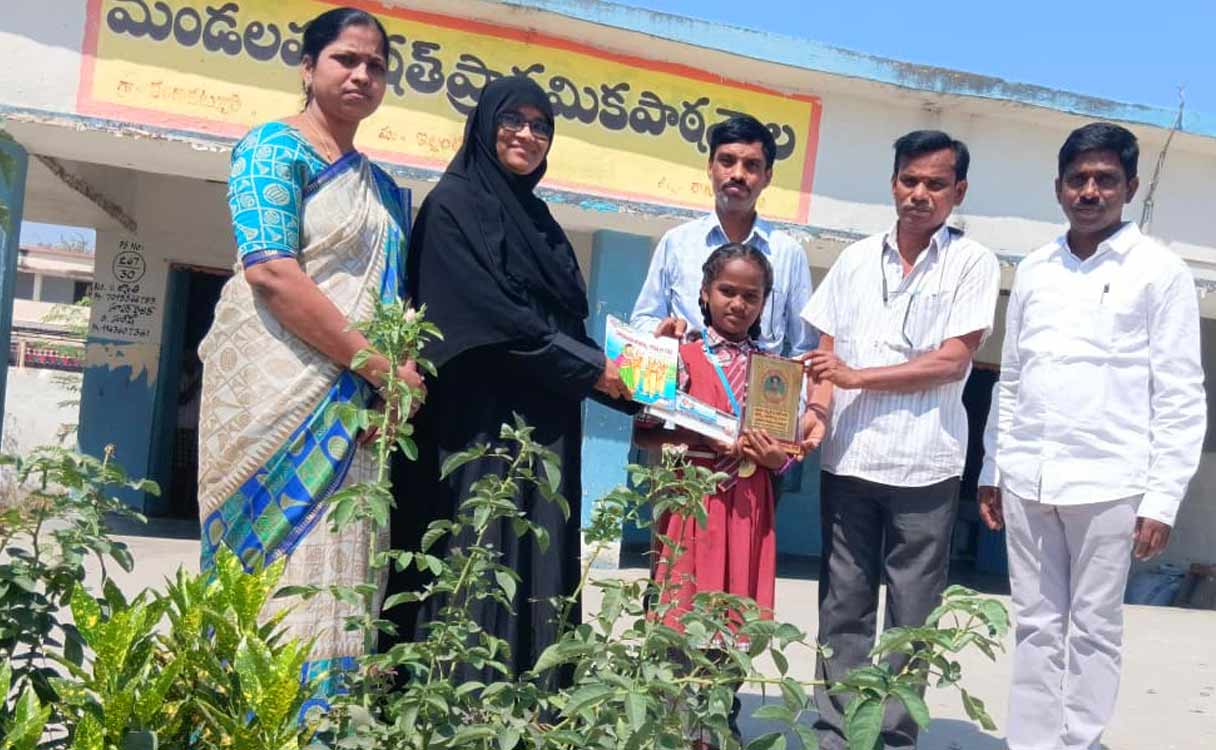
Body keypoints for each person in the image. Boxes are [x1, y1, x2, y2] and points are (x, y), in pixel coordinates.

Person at [196, 6, 419, 703]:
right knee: (269, 573)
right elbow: (271, 271)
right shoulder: (271, 149)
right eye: (345, 59)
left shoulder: (384, 190)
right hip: (273, 395)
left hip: (354, 416)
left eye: (375, 65)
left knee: (345, 569)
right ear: (308, 67)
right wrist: (375, 366)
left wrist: (396, 386)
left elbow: (394, 301)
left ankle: (332, 723)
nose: (361, 74)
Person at [392, 75, 635, 687]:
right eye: (514, 120)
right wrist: (591, 371)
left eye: (540, 125)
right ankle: (458, 703)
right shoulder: (452, 205)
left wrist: (636, 374)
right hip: (475, 428)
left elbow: (562, 319)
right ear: (484, 124)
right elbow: (493, 316)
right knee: (477, 551)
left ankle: (533, 708)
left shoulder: (538, 218)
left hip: (544, 422)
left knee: (539, 558)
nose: (527, 134)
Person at [977, 122, 1206, 750]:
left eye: (1105, 179)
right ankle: (1030, 742)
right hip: (1028, 477)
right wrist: (993, 467)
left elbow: (1182, 394)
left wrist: (1163, 499)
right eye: (1078, 179)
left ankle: (1078, 741)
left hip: (1111, 482)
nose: (1090, 190)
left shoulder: (1160, 272)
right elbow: (1013, 376)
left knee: (1095, 627)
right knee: (1035, 624)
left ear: (1130, 187)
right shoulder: (1035, 270)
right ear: (1058, 188)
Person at [799, 131, 1001, 750]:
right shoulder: (857, 259)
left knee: (913, 616)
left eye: (935, 184)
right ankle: (836, 733)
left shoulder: (974, 263)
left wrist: (860, 377)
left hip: (926, 465)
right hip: (851, 459)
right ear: (893, 183)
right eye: (910, 180)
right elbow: (825, 351)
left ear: (957, 192)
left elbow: (951, 362)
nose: (920, 194)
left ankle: (892, 737)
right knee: (844, 607)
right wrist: (817, 413)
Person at [637, 242, 789, 745]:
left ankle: (716, 722)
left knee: (734, 618)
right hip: (693, 503)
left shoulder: (776, 371)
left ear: (765, 302)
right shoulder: (679, 355)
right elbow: (644, 432)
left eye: (752, 295)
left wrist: (772, 455)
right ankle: (676, 725)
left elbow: (784, 452)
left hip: (748, 504)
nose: (738, 304)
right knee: (681, 615)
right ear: (704, 293)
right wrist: (698, 434)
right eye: (727, 291)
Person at [630, 115, 816, 356]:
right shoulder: (677, 243)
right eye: (727, 161)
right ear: (710, 167)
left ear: (767, 176)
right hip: (685, 388)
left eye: (751, 165)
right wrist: (664, 331)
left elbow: (805, 347)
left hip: (756, 392)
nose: (738, 174)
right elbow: (643, 319)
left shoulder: (787, 253)